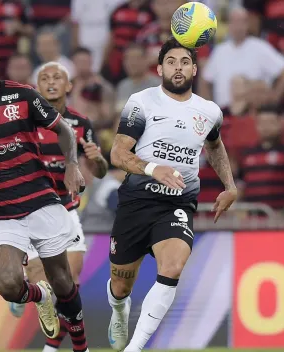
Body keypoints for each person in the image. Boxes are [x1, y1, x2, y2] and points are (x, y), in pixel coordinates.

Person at [0, 38, 90, 352]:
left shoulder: (23, 95)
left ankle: (81, 346)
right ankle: (40, 296)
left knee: (64, 282)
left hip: (41, 201)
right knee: (9, 285)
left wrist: (72, 165)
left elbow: (63, 130)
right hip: (1, 212)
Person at [107, 37, 237, 352]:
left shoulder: (209, 111)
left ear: (194, 69)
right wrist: (154, 169)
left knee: (173, 266)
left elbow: (215, 146)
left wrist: (230, 187)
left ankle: (134, 348)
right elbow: (118, 154)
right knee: (122, 284)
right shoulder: (142, 102)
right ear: (159, 68)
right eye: (171, 62)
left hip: (177, 204)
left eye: (183, 62)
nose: (177, 68)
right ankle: (119, 309)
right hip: (137, 201)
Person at [9, 61, 108, 352]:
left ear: (69, 86)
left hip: (66, 212)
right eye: (44, 78)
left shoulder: (80, 124)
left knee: (70, 286)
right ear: (36, 87)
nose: (51, 82)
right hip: (31, 212)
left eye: (57, 77)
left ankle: (53, 349)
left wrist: (97, 158)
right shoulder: (22, 123)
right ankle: (25, 290)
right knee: (48, 288)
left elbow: (100, 171)